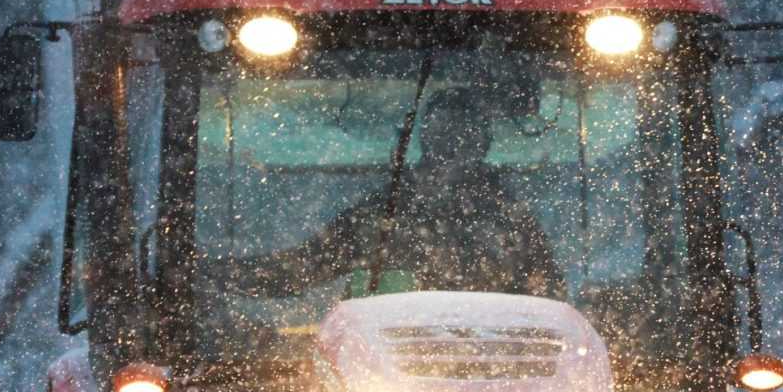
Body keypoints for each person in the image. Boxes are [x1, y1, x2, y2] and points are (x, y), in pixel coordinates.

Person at [225, 88, 563, 301]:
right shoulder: (385, 212)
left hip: (500, 371)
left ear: (482, 145)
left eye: (462, 136)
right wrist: (218, 275)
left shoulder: (510, 219)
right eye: (444, 136)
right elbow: (307, 264)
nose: (452, 148)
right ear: (426, 142)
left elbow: (548, 302)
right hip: (385, 378)